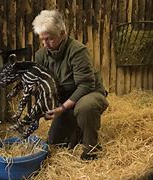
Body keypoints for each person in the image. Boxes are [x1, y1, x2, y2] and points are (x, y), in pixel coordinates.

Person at [32, 10, 109, 160]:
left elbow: (86, 85)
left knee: (86, 107)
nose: (45, 44)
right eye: (42, 39)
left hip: (88, 94)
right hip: (66, 98)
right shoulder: (40, 55)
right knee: (56, 142)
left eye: (49, 39)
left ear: (62, 33)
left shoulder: (77, 51)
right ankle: (78, 131)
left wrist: (62, 108)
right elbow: (43, 84)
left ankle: (91, 150)